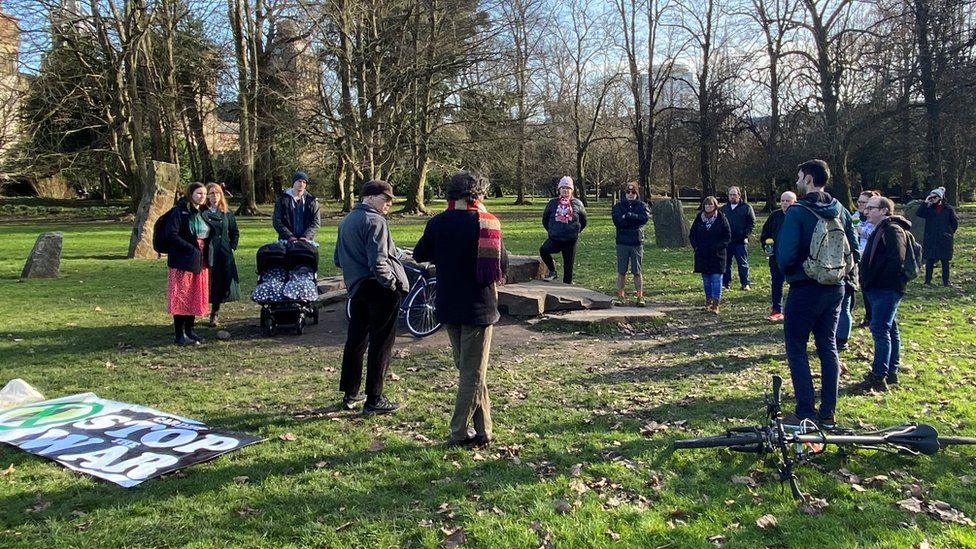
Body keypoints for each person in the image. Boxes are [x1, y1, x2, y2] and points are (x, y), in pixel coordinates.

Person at [414, 172, 508, 448]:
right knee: (473, 374)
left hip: (448, 304)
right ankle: (457, 432)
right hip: (479, 307)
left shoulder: (438, 222)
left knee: (470, 371)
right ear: (477, 196)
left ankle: (484, 429)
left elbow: (420, 253)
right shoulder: (487, 223)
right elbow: (502, 262)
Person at [776, 159, 858, 428]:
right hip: (835, 287)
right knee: (828, 347)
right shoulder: (841, 210)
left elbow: (785, 255)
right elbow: (854, 249)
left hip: (805, 287)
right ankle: (828, 412)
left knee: (797, 348)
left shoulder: (798, 212)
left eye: (800, 177)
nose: (798, 182)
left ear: (809, 179)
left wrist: (795, 269)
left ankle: (804, 411)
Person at [334, 180, 409, 414]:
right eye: (385, 199)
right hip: (379, 289)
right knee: (381, 343)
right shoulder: (375, 221)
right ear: (368, 198)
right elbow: (378, 262)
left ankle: (350, 392)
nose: (388, 204)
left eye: (390, 200)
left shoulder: (346, 221)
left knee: (356, 341)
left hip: (357, 288)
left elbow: (338, 258)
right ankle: (374, 398)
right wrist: (392, 284)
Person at [853, 196, 911, 392]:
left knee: (879, 329)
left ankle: (879, 376)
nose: (866, 211)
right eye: (865, 208)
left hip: (886, 288)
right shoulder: (881, 228)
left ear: (884, 210)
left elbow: (897, 261)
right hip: (878, 288)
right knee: (890, 328)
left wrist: (877, 280)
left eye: (871, 208)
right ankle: (891, 370)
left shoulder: (892, 230)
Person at [164, 183, 213, 345]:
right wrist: (190, 248)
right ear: (190, 194)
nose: (202, 196)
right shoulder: (180, 212)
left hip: (200, 259)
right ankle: (179, 334)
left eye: (204, 194)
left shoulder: (203, 212)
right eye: (199, 193)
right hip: (183, 260)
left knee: (194, 295)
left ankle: (190, 330)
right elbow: (171, 234)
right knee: (182, 295)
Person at [203, 183, 240, 327]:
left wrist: (231, 247)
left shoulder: (227, 213)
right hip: (208, 251)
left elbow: (234, 232)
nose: (215, 196)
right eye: (211, 193)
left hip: (223, 252)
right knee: (207, 281)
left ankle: (215, 312)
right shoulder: (202, 212)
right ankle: (198, 311)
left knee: (221, 281)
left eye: (217, 193)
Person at [540, 176, 587, 283]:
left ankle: (567, 290)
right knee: (543, 250)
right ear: (559, 190)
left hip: (570, 240)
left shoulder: (577, 204)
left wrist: (576, 231)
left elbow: (584, 220)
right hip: (555, 238)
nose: (565, 190)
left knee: (568, 267)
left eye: (568, 188)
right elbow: (545, 219)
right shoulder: (553, 203)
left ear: (572, 190)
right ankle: (552, 271)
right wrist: (552, 230)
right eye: (563, 188)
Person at [759, 190, 796, 321]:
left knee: (795, 285)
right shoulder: (774, 216)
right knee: (776, 284)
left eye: (788, 201)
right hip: (776, 258)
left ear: (794, 202)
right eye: (783, 201)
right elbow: (765, 234)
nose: (785, 203)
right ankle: (776, 309)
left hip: (794, 258)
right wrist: (767, 246)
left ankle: (793, 310)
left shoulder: (798, 216)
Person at [689, 196, 731, 314]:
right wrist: (696, 246)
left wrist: (718, 247)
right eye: (706, 205)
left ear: (715, 206)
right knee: (706, 280)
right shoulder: (699, 218)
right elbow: (692, 235)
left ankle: (716, 304)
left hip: (717, 255)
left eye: (711, 205)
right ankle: (708, 301)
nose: (708, 207)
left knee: (716, 279)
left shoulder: (721, 219)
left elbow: (727, 236)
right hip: (702, 254)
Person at [611, 182, 650, 306]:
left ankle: (640, 296)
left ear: (637, 194)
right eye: (628, 192)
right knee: (621, 271)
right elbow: (618, 221)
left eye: (633, 192)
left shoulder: (642, 206)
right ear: (625, 193)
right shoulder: (618, 206)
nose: (630, 194)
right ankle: (621, 295)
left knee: (637, 271)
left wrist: (628, 216)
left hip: (636, 242)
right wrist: (633, 220)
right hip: (622, 242)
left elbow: (643, 219)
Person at [917, 186, 958, 286]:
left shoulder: (948, 209)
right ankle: (927, 281)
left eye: (935, 197)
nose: (933, 199)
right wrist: (925, 202)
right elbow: (919, 213)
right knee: (930, 260)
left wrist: (949, 233)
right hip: (931, 238)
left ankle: (945, 282)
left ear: (940, 198)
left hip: (944, 239)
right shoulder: (929, 209)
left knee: (945, 261)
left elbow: (954, 223)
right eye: (931, 197)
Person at [719, 186, 756, 291]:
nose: (732, 197)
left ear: (739, 195)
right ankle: (726, 284)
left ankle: (745, 283)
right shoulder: (723, 209)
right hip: (727, 242)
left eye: (734, 194)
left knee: (743, 263)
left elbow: (751, 223)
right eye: (730, 195)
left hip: (741, 241)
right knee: (726, 264)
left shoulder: (746, 208)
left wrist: (745, 235)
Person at [853, 190, 881, 327]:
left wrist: (859, 229)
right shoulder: (856, 215)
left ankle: (875, 316)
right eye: (858, 201)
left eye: (863, 202)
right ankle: (869, 316)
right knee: (864, 287)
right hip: (859, 257)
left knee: (872, 288)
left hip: (872, 257)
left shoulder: (876, 218)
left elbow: (874, 235)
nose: (859, 205)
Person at [273, 170, 321, 243]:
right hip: (286, 241)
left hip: (307, 241)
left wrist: (306, 237)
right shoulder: (282, 201)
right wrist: (289, 236)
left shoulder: (312, 201)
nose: (301, 184)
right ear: (294, 183)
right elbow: (277, 221)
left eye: (304, 182)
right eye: (299, 181)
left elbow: (316, 222)